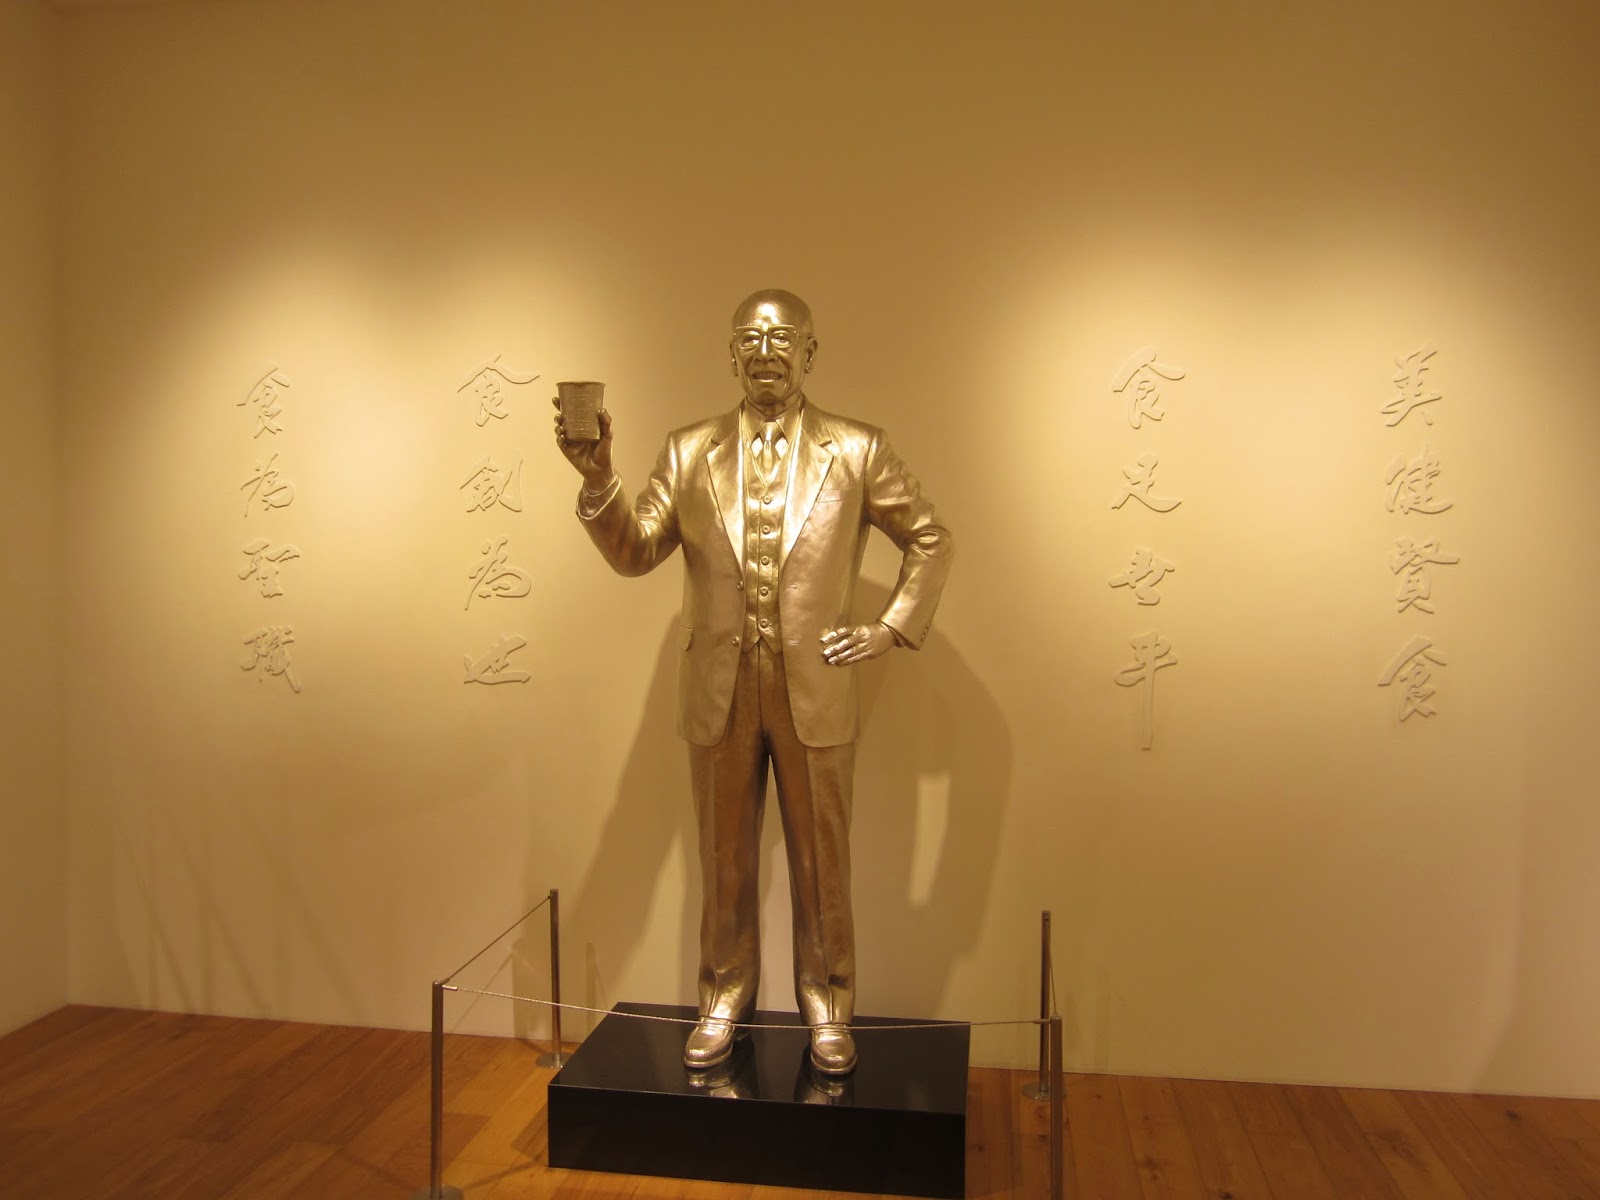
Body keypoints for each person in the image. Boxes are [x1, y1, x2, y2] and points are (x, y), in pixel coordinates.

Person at [553, 289, 953, 1075]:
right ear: (730, 353)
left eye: (783, 339)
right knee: (724, 862)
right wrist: (599, 478)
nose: (766, 352)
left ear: (810, 352)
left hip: (816, 690)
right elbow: (636, 551)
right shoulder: (688, 451)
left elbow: (931, 539)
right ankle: (722, 998)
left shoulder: (857, 449)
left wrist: (888, 628)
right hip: (719, 693)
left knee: (822, 865)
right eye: (750, 339)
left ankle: (829, 1006)